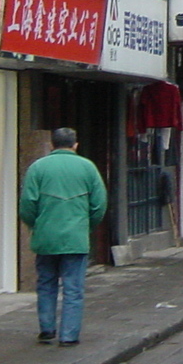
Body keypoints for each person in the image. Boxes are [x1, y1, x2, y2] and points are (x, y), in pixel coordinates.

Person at [18, 127, 107, 347]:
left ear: (51, 144)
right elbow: (99, 204)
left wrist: (37, 225)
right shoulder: (88, 168)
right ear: (75, 145)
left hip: (46, 236)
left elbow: (27, 205)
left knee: (46, 283)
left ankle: (47, 329)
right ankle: (69, 335)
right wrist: (86, 225)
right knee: (73, 289)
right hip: (76, 237)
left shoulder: (37, 168)